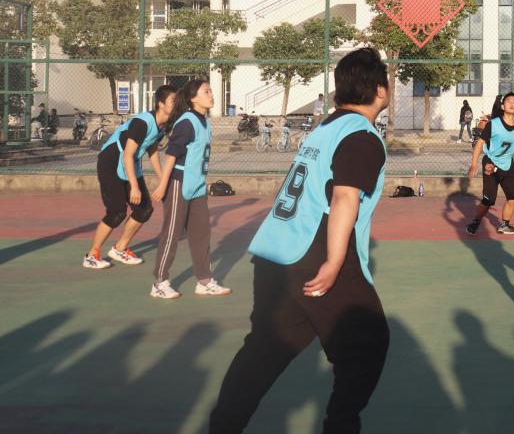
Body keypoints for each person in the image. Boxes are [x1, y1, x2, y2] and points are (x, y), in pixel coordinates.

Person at [210, 49, 391, 433]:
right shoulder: (361, 135)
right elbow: (344, 198)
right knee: (366, 344)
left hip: (275, 252)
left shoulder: (325, 129)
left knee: (264, 351)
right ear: (380, 89)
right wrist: (334, 262)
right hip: (314, 250)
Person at [150, 79, 230, 299]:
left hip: (197, 186)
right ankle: (159, 282)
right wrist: (163, 185)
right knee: (172, 234)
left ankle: (204, 281)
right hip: (179, 183)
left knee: (201, 234)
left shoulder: (205, 122)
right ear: (193, 98)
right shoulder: (187, 122)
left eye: (211, 91)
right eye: (206, 92)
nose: (211, 95)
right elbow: (171, 156)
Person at [82, 85, 177, 269]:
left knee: (144, 210)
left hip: (130, 162)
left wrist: (162, 179)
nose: (177, 103)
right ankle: (92, 255)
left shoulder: (166, 123)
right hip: (111, 162)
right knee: (117, 212)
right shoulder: (142, 123)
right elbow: (127, 154)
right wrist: (134, 186)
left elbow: (152, 149)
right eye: (174, 100)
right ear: (160, 103)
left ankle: (119, 248)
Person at [465, 91, 514, 235]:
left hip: (508, 163)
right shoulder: (493, 124)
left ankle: (505, 225)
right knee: (489, 200)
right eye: (508, 101)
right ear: (502, 106)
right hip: (491, 162)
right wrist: (474, 164)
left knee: (513, 197)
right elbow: (480, 143)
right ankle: (476, 221)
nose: (512, 104)